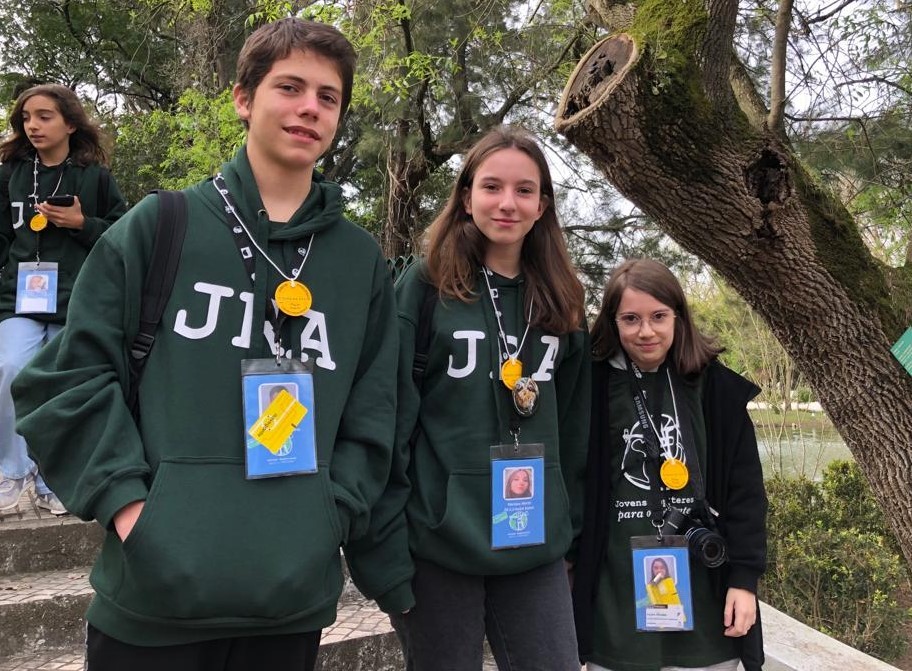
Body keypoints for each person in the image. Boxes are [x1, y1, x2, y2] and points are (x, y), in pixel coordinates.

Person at [12, 18, 405, 670]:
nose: (311, 106)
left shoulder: (360, 264)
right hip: (153, 603)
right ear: (243, 98)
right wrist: (136, 511)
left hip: (289, 602)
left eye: (328, 96)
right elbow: (66, 379)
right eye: (290, 86)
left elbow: (376, 410)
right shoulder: (160, 226)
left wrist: (329, 520)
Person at [390, 125, 591, 670]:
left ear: (543, 206)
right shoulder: (426, 287)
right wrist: (391, 534)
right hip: (438, 543)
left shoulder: (564, 300)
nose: (508, 203)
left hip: (535, 543)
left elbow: (573, 428)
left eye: (525, 190)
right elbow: (391, 416)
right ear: (465, 196)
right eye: (492, 187)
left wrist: (569, 534)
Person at [572, 258, 767, 671]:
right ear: (612, 322)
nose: (646, 331)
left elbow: (746, 493)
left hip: (705, 589)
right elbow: (571, 482)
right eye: (631, 319)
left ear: (678, 316)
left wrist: (745, 581)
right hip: (615, 594)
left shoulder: (714, 388)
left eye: (659, 316)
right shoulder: (590, 387)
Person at [0, 83, 126, 516]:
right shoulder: (11, 174)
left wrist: (80, 222)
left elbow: (122, 233)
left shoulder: (94, 177)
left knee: (62, 387)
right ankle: (13, 471)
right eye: (26, 118)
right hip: (18, 298)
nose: (32, 125)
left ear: (70, 123)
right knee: (11, 368)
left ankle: (55, 479)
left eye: (44, 116)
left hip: (76, 300)